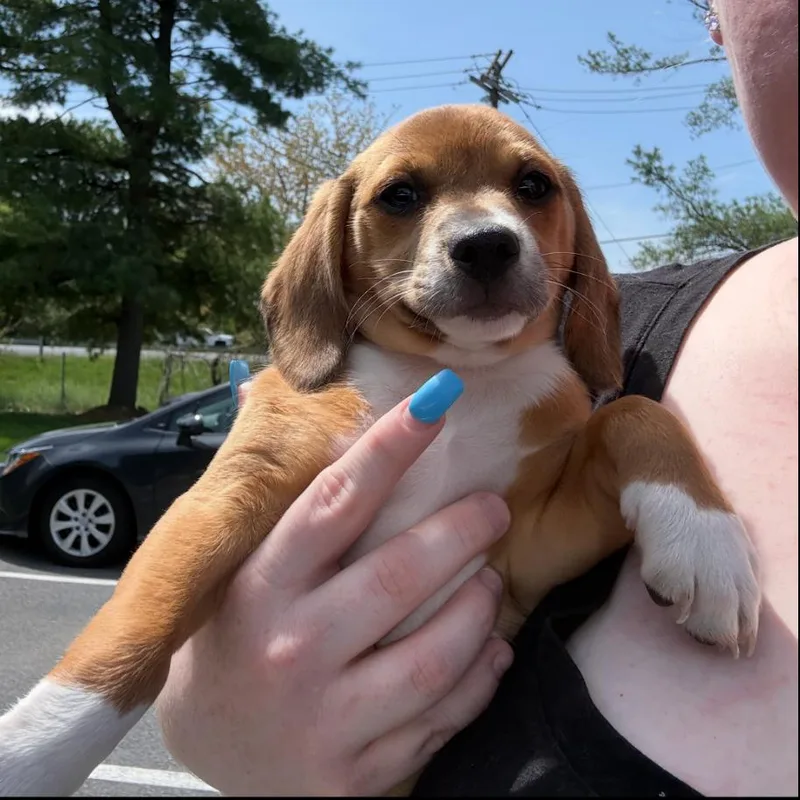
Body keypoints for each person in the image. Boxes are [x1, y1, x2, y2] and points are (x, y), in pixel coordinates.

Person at [156, 0, 798, 795]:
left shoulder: (592, 387)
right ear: (717, 16)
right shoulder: (621, 352)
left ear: (573, 236)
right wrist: (211, 723)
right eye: (401, 197)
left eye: (530, 187)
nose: (488, 229)